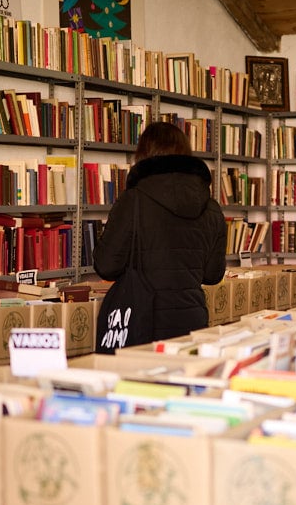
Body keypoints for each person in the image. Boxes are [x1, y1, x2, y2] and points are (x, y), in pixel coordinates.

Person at [93, 121, 227, 342]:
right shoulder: (211, 207)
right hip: (193, 322)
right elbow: (213, 275)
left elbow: (107, 266)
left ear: (143, 154)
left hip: (143, 322)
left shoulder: (133, 200)